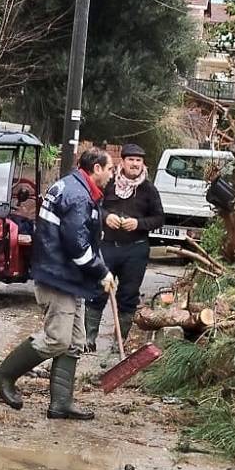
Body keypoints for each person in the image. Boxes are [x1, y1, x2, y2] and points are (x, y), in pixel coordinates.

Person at [0, 148, 116, 420]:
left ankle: (61, 403)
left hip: (67, 277)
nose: (111, 174)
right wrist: (101, 272)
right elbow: (77, 245)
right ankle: (4, 373)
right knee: (58, 339)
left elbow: (88, 239)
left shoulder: (75, 188)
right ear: (96, 169)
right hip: (58, 277)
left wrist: (101, 270)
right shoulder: (78, 196)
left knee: (75, 341)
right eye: (109, 169)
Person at [84, 143, 165, 353]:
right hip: (108, 246)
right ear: (123, 161)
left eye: (139, 160)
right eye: (131, 160)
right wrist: (105, 217)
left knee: (128, 296)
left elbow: (159, 218)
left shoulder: (149, 189)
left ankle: (118, 345)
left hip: (136, 250)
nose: (135, 164)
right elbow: (93, 206)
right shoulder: (108, 184)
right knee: (98, 290)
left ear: (143, 164)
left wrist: (138, 224)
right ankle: (89, 340)